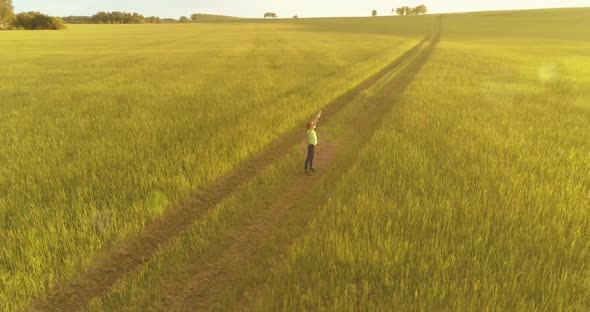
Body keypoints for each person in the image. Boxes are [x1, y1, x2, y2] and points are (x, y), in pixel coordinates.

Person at [305, 111, 321, 175]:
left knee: (312, 157)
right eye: (312, 124)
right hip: (311, 146)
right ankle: (306, 170)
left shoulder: (312, 131)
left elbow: (314, 124)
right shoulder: (309, 131)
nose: (314, 125)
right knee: (308, 157)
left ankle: (310, 167)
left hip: (313, 146)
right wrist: (317, 117)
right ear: (310, 126)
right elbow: (314, 123)